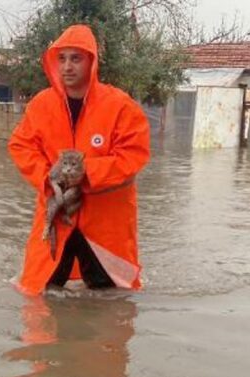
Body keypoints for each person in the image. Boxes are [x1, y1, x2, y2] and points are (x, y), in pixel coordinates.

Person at [8, 24, 151, 296]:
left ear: (92, 62)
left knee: (112, 300)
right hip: (57, 213)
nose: (67, 67)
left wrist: (88, 172)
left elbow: (134, 155)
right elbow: (21, 145)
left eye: (76, 58)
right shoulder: (41, 104)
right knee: (38, 294)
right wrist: (47, 177)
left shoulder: (120, 105)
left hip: (105, 224)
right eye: (61, 58)